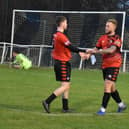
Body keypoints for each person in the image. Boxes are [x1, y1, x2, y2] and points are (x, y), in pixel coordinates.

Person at [42, 16, 86, 113]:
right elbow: (71, 47)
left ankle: (65, 108)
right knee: (65, 86)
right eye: (66, 23)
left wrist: (79, 53)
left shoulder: (56, 35)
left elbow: (66, 48)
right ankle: (47, 101)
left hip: (63, 62)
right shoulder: (60, 36)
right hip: (61, 63)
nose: (67, 24)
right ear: (62, 23)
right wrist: (84, 51)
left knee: (66, 85)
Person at [86, 19, 127, 115]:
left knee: (107, 86)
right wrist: (88, 54)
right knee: (112, 88)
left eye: (108, 26)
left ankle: (102, 110)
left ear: (114, 27)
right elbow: (95, 48)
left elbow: (111, 50)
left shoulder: (117, 39)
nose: (106, 27)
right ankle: (121, 105)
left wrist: (96, 52)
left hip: (114, 65)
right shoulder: (102, 38)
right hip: (105, 65)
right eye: (105, 25)